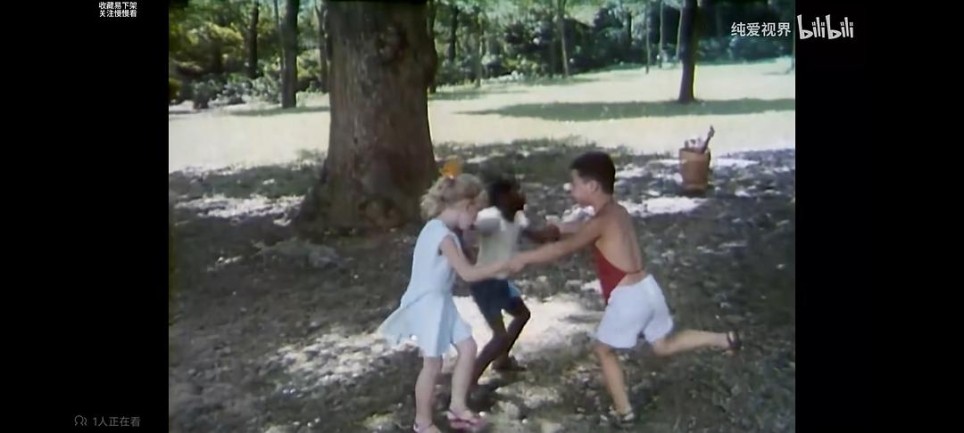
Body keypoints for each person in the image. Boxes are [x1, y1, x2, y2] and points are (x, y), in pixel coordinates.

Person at [508, 151, 741, 427]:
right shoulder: (617, 212)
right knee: (663, 345)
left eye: (575, 183)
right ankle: (724, 339)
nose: (571, 189)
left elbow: (564, 248)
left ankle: (624, 413)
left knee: (603, 350)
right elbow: (574, 228)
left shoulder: (599, 222)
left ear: (592, 186)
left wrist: (523, 258)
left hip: (629, 297)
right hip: (648, 289)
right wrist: (544, 228)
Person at [378, 160, 507, 433]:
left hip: (441, 301)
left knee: (468, 347)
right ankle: (422, 422)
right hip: (429, 303)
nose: (475, 221)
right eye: (476, 213)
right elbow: (467, 274)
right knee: (432, 363)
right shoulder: (442, 236)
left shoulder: (440, 230)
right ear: (466, 207)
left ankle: (457, 407)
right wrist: (502, 266)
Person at [461, 177, 560, 386]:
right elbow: (468, 228)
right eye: (517, 191)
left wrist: (551, 234)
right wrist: (466, 254)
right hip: (485, 283)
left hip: (500, 282)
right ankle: (468, 382)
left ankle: (502, 359)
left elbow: (535, 236)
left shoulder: (517, 217)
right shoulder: (492, 218)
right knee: (500, 336)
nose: (523, 195)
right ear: (504, 198)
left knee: (522, 314)